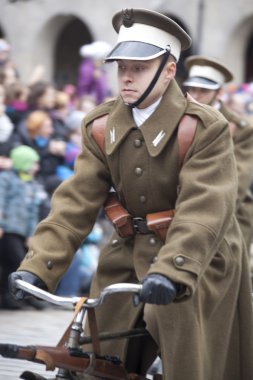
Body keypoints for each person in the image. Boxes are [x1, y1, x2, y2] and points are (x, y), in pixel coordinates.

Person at [8, 8, 253, 380]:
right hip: (129, 249)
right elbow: (75, 200)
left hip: (197, 255)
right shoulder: (101, 124)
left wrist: (173, 271)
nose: (126, 77)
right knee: (92, 347)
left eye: (139, 68)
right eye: (121, 67)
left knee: (181, 335)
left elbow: (204, 207)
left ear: (168, 70)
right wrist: (38, 266)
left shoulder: (204, 127)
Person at [183, 55, 253, 254]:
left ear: (220, 93)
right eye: (192, 89)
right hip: (179, 209)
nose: (196, 96)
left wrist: (201, 216)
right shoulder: (178, 119)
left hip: (228, 213)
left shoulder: (241, 128)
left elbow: (237, 182)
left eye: (204, 91)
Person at [0, 145, 46, 309]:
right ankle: (18, 296)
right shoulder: (6, 179)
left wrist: (31, 234)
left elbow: (33, 211)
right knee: (17, 262)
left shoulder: (32, 184)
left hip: (22, 232)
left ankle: (14, 297)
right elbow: (1, 201)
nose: (36, 167)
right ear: (23, 162)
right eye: (33, 163)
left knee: (12, 265)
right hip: (8, 230)